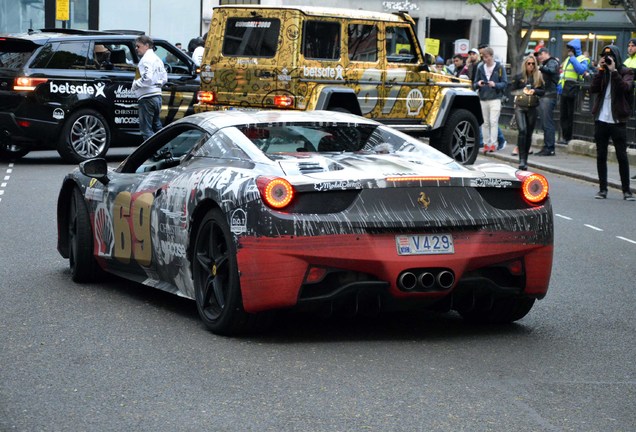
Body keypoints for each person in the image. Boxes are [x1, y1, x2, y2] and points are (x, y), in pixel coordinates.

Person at [590, 45, 635, 201]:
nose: (608, 60)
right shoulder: (602, 73)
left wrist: (614, 71)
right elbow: (593, 89)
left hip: (617, 121)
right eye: (605, 57)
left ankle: (626, 191)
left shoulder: (625, 72)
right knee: (600, 155)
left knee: (621, 156)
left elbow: (625, 88)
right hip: (601, 119)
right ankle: (603, 190)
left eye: (610, 57)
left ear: (616, 58)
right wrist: (600, 71)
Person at [510, 56, 545, 170]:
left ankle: (525, 160)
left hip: (532, 107)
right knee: (523, 130)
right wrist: (523, 91)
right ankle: (521, 160)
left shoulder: (538, 77)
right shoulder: (519, 77)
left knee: (529, 133)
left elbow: (543, 91)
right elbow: (512, 90)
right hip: (520, 106)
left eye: (533, 64)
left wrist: (534, 91)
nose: (531, 66)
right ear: (525, 64)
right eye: (528, 63)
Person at [132, 35, 167, 142]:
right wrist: (157, 85)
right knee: (157, 127)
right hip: (157, 96)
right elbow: (165, 78)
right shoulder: (157, 59)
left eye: (138, 46)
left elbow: (147, 78)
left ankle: (155, 153)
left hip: (147, 97)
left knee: (146, 129)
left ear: (146, 46)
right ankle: (165, 151)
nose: (136, 49)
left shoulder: (146, 59)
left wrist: (136, 85)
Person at [473, 47, 508, 153]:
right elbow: (474, 84)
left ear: (492, 56)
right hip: (483, 97)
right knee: (485, 122)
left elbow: (505, 83)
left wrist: (495, 85)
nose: (485, 59)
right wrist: (478, 84)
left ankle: (493, 144)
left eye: (487, 57)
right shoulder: (480, 68)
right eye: (484, 57)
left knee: (493, 121)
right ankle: (486, 144)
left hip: (495, 98)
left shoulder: (499, 67)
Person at [557, 39, 589, 144]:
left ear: (575, 49)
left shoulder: (582, 59)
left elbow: (581, 70)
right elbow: (564, 74)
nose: (568, 51)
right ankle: (564, 137)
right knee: (563, 115)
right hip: (565, 88)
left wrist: (573, 59)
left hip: (574, 89)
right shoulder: (567, 59)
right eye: (568, 49)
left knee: (571, 115)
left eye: (571, 49)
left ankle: (568, 137)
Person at [535, 47, 560, 156]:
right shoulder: (547, 63)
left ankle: (549, 148)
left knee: (547, 123)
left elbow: (552, 71)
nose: (539, 57)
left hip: (549, 96)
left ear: (546, 53)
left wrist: (540, 67)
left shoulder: (552, 62)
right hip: (545, 95)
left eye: (540, 54)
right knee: (545, 123)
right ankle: (547, 146)